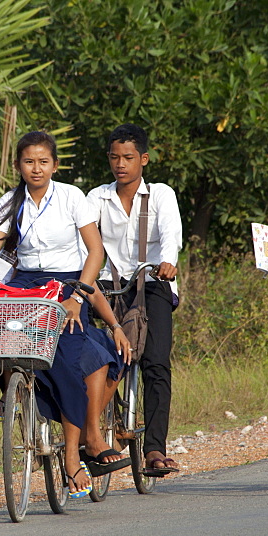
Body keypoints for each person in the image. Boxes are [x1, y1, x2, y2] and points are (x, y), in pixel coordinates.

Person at [0, 131, 132, 499]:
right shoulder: (10, 202)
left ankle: (74, 455)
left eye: (44, 162)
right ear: (18, 166)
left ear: (55, 165)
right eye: (29, 162)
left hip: (65, 285)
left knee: (70, 354)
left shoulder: (72, 197)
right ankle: (16, 393)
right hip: (24, 284)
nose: (36, 168)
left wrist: (77, 295)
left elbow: (95, 252)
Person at [87, 123, 183, 477]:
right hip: (109, 284)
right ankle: (93, 431)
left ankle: (155, 447)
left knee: (156, 362)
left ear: (143, 159)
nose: (120, 164)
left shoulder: (160, 194)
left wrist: (168, 261)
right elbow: (83, 234)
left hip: (154, 280)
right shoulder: (97, 197)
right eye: (114, 157)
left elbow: (171, 233)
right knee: (98, 356)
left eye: (128, 157)